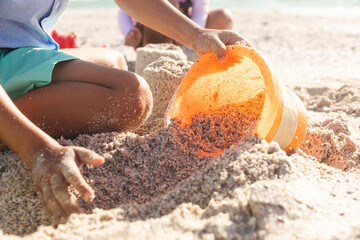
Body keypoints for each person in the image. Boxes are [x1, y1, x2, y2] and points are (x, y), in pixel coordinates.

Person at [0, 0, 249, 223]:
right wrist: (36, 147)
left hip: (26, 49)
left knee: (115, 60)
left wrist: (196, 35)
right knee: (131, 97)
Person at [118, 0, 234, 49]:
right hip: (150, 32)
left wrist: (191, 34)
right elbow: (124, 10)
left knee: (223, 17)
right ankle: (148, 45)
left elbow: (200, 12)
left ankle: (188, 48)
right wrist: (129, 31)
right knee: (169, 3)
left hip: (188, 33)